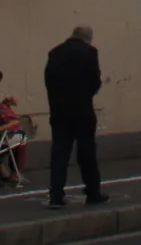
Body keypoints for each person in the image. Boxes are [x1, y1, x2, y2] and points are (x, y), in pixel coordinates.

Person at [43, 26, 105, 208]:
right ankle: (93, 192)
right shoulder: (90, 52)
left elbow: (49, 80)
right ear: (87, 38)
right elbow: (95, 81)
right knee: (86, 152)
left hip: (59, 111)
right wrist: (85, 95)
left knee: (59, 153)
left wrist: (56, 101)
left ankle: (56, 195)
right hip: (82, 110)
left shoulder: (55, 53)